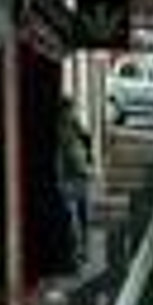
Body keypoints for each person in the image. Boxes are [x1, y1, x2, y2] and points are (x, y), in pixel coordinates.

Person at [56, 96, 93, 268]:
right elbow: (65, 157)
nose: (72, 113)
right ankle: (75, 256)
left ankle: (83, 252)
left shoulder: (77, 128)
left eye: (72, 110)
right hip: (69, 181)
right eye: (69, 110)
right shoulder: (61, 131)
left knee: (82, 219)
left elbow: (85, 147)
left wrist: (88, 167)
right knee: (73, 222)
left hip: (80, 180)